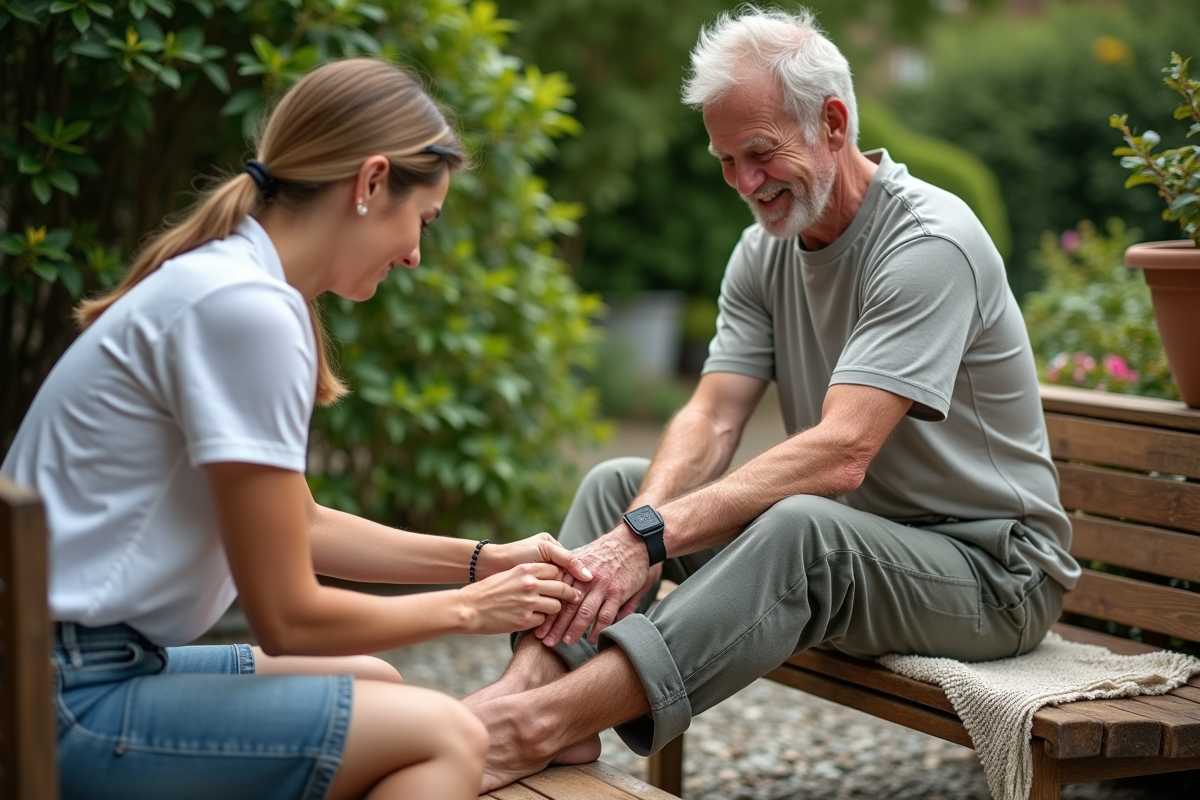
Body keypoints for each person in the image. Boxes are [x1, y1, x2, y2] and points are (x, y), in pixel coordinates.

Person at [464, 7, 1080, 792]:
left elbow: (843, 451)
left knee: (803, 532)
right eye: (726, 161)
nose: (744, 184)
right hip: (875, 550)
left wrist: (648, 542)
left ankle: (536, 726)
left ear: (832, 122)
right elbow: (715, 414)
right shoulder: (764, 251)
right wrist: (640, 524)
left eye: (760, 154)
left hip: (996, 575)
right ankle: (524, 692)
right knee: (619, 486)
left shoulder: (928, 242)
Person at [1, 58, 594, 800]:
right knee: (449, 735)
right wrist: (474, 611)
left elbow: (301, 523)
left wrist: (483, 560)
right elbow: (286, 616)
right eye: (424, 220)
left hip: (68, 667)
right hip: (65, 701)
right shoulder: (245, 309)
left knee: (370, 679)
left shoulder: (230, 282)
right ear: (372, 183)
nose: (415, 253)